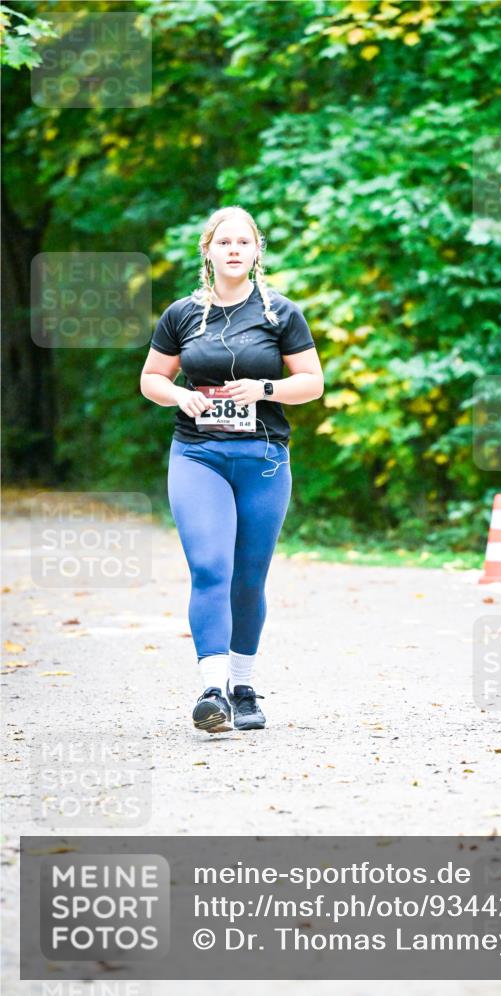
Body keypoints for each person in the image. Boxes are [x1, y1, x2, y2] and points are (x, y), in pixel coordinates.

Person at [140, 205, 324, 734]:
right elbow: (152, 378)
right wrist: (179, 395)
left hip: (264, 458)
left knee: (248, 578)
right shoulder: (181, 314)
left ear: (258, 250)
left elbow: (311, 382)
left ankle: (243, 688)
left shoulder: (281, 314)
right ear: (208, 251)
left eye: (245, 242)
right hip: (198, 454)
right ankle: (212, 689)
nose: (235, 249)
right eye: (225, 242)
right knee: (209, 567)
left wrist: (264, 388)